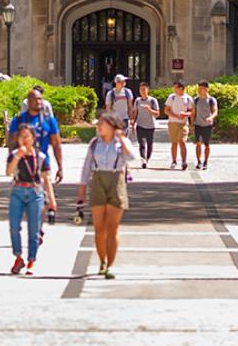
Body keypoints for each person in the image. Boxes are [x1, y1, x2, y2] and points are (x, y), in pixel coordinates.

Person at [77, 113, 135, 279]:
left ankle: (110, 264)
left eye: (102, 124)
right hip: (98, 181)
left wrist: (122, 139)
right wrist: (81, 190)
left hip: (116, 180)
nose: (99, 127)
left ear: (111, 126)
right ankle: (102, 261)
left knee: (112, 228)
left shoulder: (120, 143)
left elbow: (132, 157)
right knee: (99, 228)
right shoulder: (95, 143)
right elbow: (86, 166)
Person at [6, 124, 57, 275]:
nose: (24, 140)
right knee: (14, 226)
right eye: (22, 137)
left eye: (27, 136)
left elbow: (46, 179)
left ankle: (31, 260)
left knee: (34, 229)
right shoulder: (14, 154)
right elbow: (8, 172)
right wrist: (17, 157)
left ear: (33, 138)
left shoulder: (40, 157)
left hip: (35, 191)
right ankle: (18, 256)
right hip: (18, 190)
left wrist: (52, 199)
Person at [9, 89, 63, 183]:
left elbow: (56, 144)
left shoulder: (49, 120)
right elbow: (12, 145)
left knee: (42, 195)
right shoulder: (18, 120)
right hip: (22, 166)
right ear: (28, 102)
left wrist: (60, 167)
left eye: (40, 99)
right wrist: (12, 164)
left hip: (43, 165)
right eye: (35, 99)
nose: (38, 102)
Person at [164, 81, 194, 170]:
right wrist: (176, 115)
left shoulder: (188, 98)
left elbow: (192, 111)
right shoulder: (171, 97)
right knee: (174, 142)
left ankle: (184, 161)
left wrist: (185, 114)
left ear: (181, 88)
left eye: (176, 87)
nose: (174, 89)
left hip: (183, 123)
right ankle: (174, 161)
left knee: (182, 141)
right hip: (173, 122)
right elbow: (166, 110)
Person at [132, 81, 159, 168]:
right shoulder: (137, 101)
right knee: (141, 144)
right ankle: (143, 160)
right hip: (140, 125)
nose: (142, 91)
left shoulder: (152, 100)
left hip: (150, 126)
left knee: (149, 144)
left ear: (148, 90)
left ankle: (147, 159)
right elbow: (135, 113)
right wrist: (133, 123)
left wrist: (150, 110)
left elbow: (157, 113)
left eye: (144, 89)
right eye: (141, 89)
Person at [192, 81, 218, 170]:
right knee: (198, 143)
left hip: (208, 125)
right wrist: (191, 124)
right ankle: (199, 161)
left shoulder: (211, 100)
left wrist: (211, 117)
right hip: (198, 124)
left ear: (206, 89)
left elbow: (215, 111)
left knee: (206, 144)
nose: (200, 90)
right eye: (199, 88)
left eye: (202, 88)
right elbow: (193, 113)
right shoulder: (196, 100)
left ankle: (205, 161)